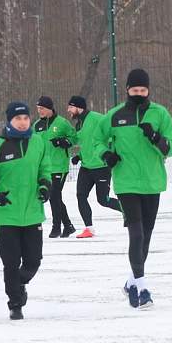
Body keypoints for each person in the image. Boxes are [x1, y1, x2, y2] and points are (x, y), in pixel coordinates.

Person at [95, 69, 172, 309]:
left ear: (149, 90)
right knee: (137, 234)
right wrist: (106, 154)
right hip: (126, 183)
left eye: (143, 90)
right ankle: (141, 289)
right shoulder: (114, 116)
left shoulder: (160, 114)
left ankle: (131, 281)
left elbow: (171, 145)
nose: (139, 94)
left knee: (147, 236)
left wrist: (155, 138)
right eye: (135, 90)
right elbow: (96, 141)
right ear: (127, 90)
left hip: (152, 182)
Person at [0, 102, 51, 320]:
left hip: (32, 213)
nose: (22, 122)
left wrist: (45, 185)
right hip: (6, 214)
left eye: (26, 118)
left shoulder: (38, 143)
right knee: (10, 263)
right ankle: (15, 303)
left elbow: (44, 168)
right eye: (17, 119)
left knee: (33, 262)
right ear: (9, 121)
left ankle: (19, 283)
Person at [66, 96, 121, 238]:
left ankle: (129, 211)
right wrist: (80, 156)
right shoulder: (79, 124)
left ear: (79, 107)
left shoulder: (97, 118)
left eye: (70, 107)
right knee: (80, 196)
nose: (68, 110)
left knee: (103, 200)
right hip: (86, 167)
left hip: (101, 166)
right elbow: (85, 142)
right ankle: (89, 229)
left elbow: (111, 131)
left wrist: (110, 152)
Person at [33, 96, 76, 238]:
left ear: (50, 108)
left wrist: (63, 141)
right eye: (38, 108)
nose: (40, 111)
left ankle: (56, 227)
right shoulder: (37, 125)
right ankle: (68, 226)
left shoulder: (62, 123)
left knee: (54, 196)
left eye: (42, 108)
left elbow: (74, 138)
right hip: (45, 168)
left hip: (59, 166)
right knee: (55, 197)